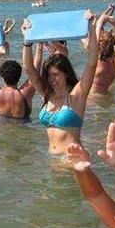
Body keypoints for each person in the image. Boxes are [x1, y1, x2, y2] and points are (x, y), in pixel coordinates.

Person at [22, 12, 102, 154]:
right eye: (48, 76)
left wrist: (92, 28)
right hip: (53, 161)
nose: (51, 79)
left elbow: (92, 63)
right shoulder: (47, 94)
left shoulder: (76, 95)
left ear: (66, 73)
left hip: (72, 159)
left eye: (55, 75)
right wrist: (27, 40)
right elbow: (29, 69)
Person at [0, 42, 35, 120]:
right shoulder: (24, 95)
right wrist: (38, 48)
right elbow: (34, 71)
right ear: (20, 76)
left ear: (2, 77)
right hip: (21, 130)